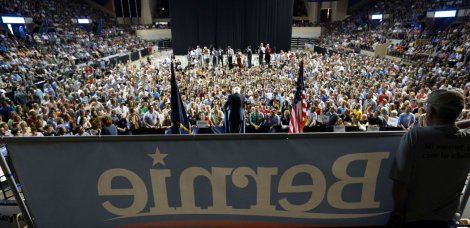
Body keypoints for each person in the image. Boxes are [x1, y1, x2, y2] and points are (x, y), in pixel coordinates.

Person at [388, 89, 470, 227]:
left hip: (413, 218)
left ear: (430, 111)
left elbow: (401, 181)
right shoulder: (467, 139)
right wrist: (453, 125)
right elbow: (450, 132)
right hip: (446, 219)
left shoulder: (416, 136)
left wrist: (397, 213)